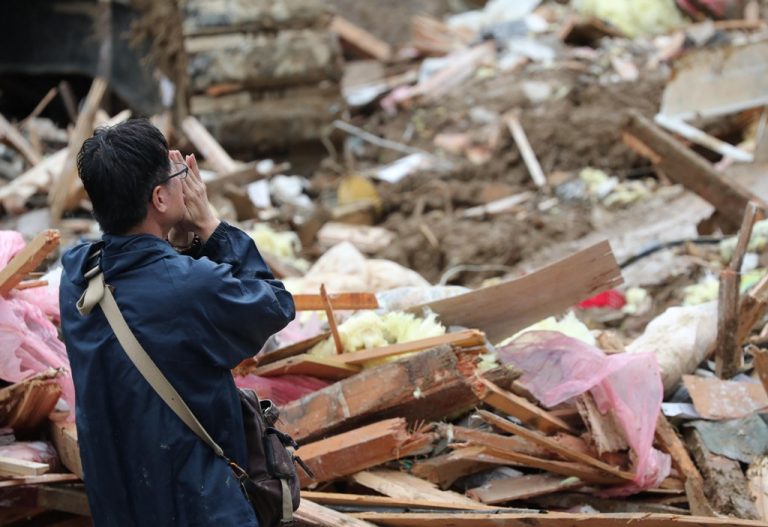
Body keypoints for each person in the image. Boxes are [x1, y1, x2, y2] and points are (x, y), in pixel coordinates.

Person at [59, 119, 295, 526]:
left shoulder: (77, 276)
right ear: (159, 198)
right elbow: (274, 304)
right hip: (201, 509)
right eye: (177, 175)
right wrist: (211, 227)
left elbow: (145, 280)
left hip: (121, 509)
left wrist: (174, 241)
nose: (184, 180)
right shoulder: (189, 288)